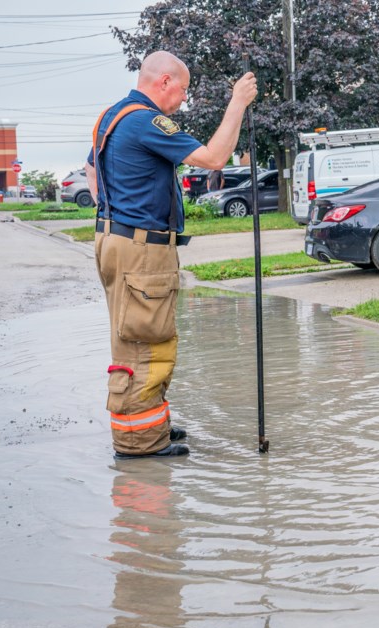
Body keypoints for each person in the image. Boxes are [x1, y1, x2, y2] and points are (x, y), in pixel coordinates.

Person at [85, 51, 257, 459]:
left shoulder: (111, 116)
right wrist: (238, 102)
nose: (183, 100)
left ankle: (149, 424)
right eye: (182, 90)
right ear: (163, 82)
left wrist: (113, 215)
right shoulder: (146, 121)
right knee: (147, 339)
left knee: (134, 334)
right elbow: (214, 158)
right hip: (140, 249)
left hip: (115, 241)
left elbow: (92, 169)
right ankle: (139, 443)